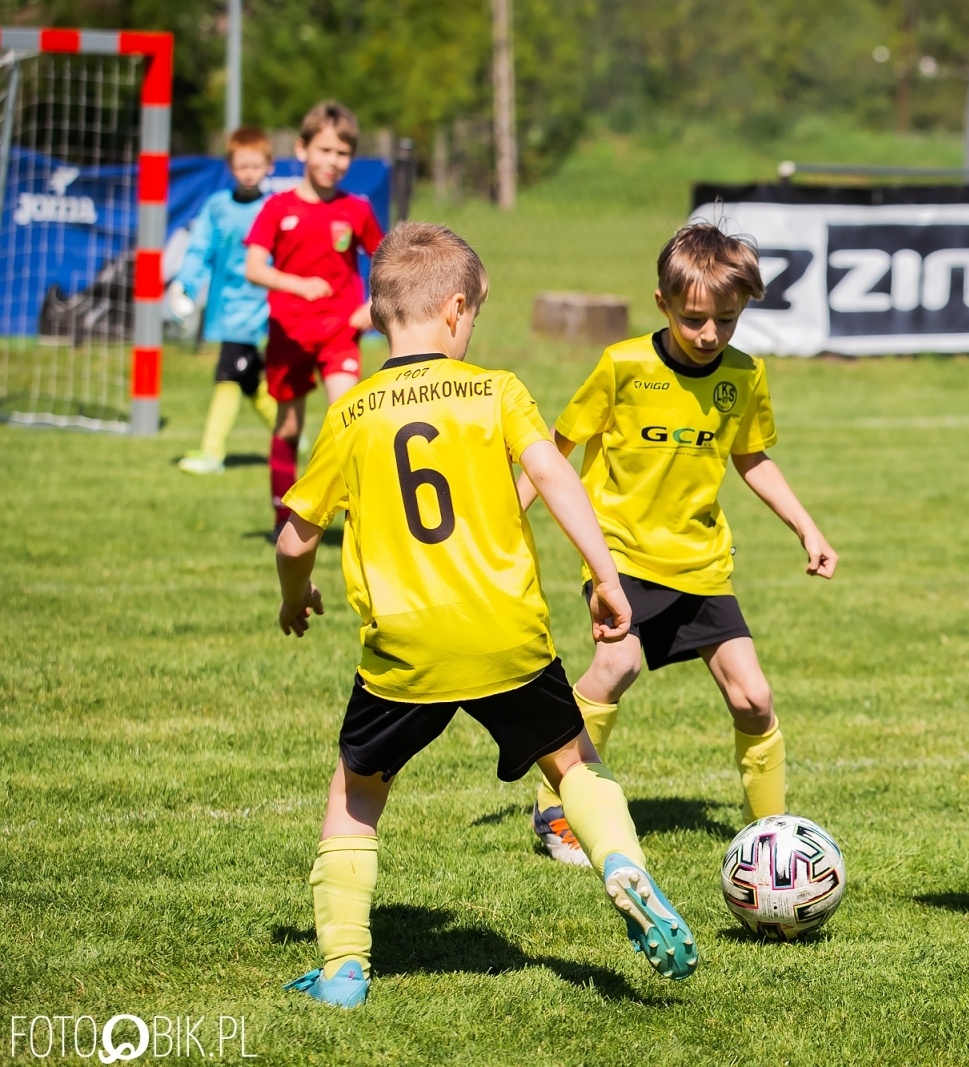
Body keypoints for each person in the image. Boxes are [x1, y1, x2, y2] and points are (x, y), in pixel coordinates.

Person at [275, 221, 696, 1008]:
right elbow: (557, 479)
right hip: (507, 633)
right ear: (458, 310)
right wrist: (607, 579)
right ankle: (622, 866)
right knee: (572, 764)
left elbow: (296, 530)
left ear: (377, 315)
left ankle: (342, 966)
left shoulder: (353, 412)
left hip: (406, 645)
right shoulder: (497, 390)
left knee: (357, 792)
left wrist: (294, 596)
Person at [524, 223, 838, 867]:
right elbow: (553, 449)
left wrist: (806, 526)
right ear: (663, 304)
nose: (709, 335)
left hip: (701, 563)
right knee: (617, 667)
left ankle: (772, 839)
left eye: (726, 320)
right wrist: (507, 517)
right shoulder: (623, 365)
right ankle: (556, 807)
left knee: (754, 697)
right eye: (695, 319)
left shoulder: (745, 376)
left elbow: (752, 458)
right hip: (622, 554)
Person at [245, 99, 384, 533]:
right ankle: (283, 516)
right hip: (288, 333)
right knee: (288, 427)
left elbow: (386, 262)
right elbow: (254, 268)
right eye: (324, 150)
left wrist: (371, 306)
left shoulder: (356, 209)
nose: (333, 162)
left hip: (340, 332)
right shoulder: (277, 208)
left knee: (348, 417)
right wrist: (297, 285)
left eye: (342, 153)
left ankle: (360, 519)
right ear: (302, 150)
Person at [172, 127, 276, 475]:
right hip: (226, 308)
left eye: (255, 165)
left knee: (229, 374)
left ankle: (212, 454)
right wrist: (185, 284)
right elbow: (200, 249)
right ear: (231, 167)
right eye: (241, 165)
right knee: (250, 381)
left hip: (260, 308)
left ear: (269, 166)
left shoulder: (275, 208)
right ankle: (291, 436)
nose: (249, 172)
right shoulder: (217, 207)